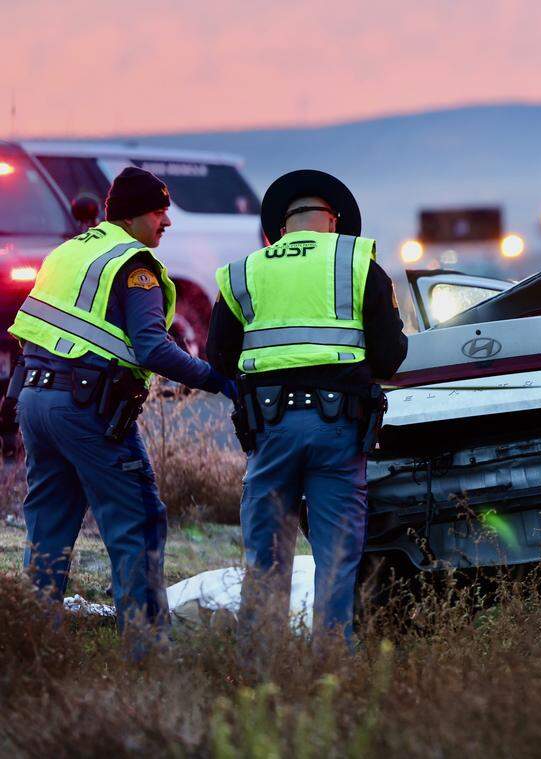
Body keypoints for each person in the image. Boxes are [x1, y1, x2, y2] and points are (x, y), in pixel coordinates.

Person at [7, 167, 235, 640]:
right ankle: (147, 651)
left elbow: (32, 329)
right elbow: (153, 348)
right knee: (138, 520)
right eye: (158, 212)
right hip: (86, 408)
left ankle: (32, 640)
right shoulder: (133, 266)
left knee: (48, 526)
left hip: (35, 401)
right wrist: (214, 378)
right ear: (131, 217)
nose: (166, 221)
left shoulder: (71, 251)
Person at [207, 169, 407, 645]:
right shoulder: (358, 263)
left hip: (269, 429)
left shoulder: (243, 272)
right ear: (333, 223)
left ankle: (260, 667)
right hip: (339, 430)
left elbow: (218, 358)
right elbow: (390, 357)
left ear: (280, 229)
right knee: (336, 559)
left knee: (265, 559)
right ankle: (330, 666)